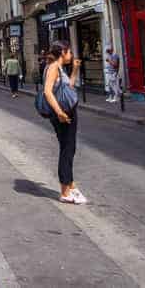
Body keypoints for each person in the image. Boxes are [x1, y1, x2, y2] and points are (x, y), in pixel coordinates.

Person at [43, 40, 85, 205]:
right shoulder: (54, 67)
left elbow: (69, 89)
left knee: (69, 148)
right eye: (69, 52)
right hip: (63, 113)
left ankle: (71, 184)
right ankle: (65, 192)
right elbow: (47, 91)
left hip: (66, 111)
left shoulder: (59, 68)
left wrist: (75, 69)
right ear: (63, 52)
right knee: (67, 150)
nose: (71, 54)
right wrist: (59, 112)